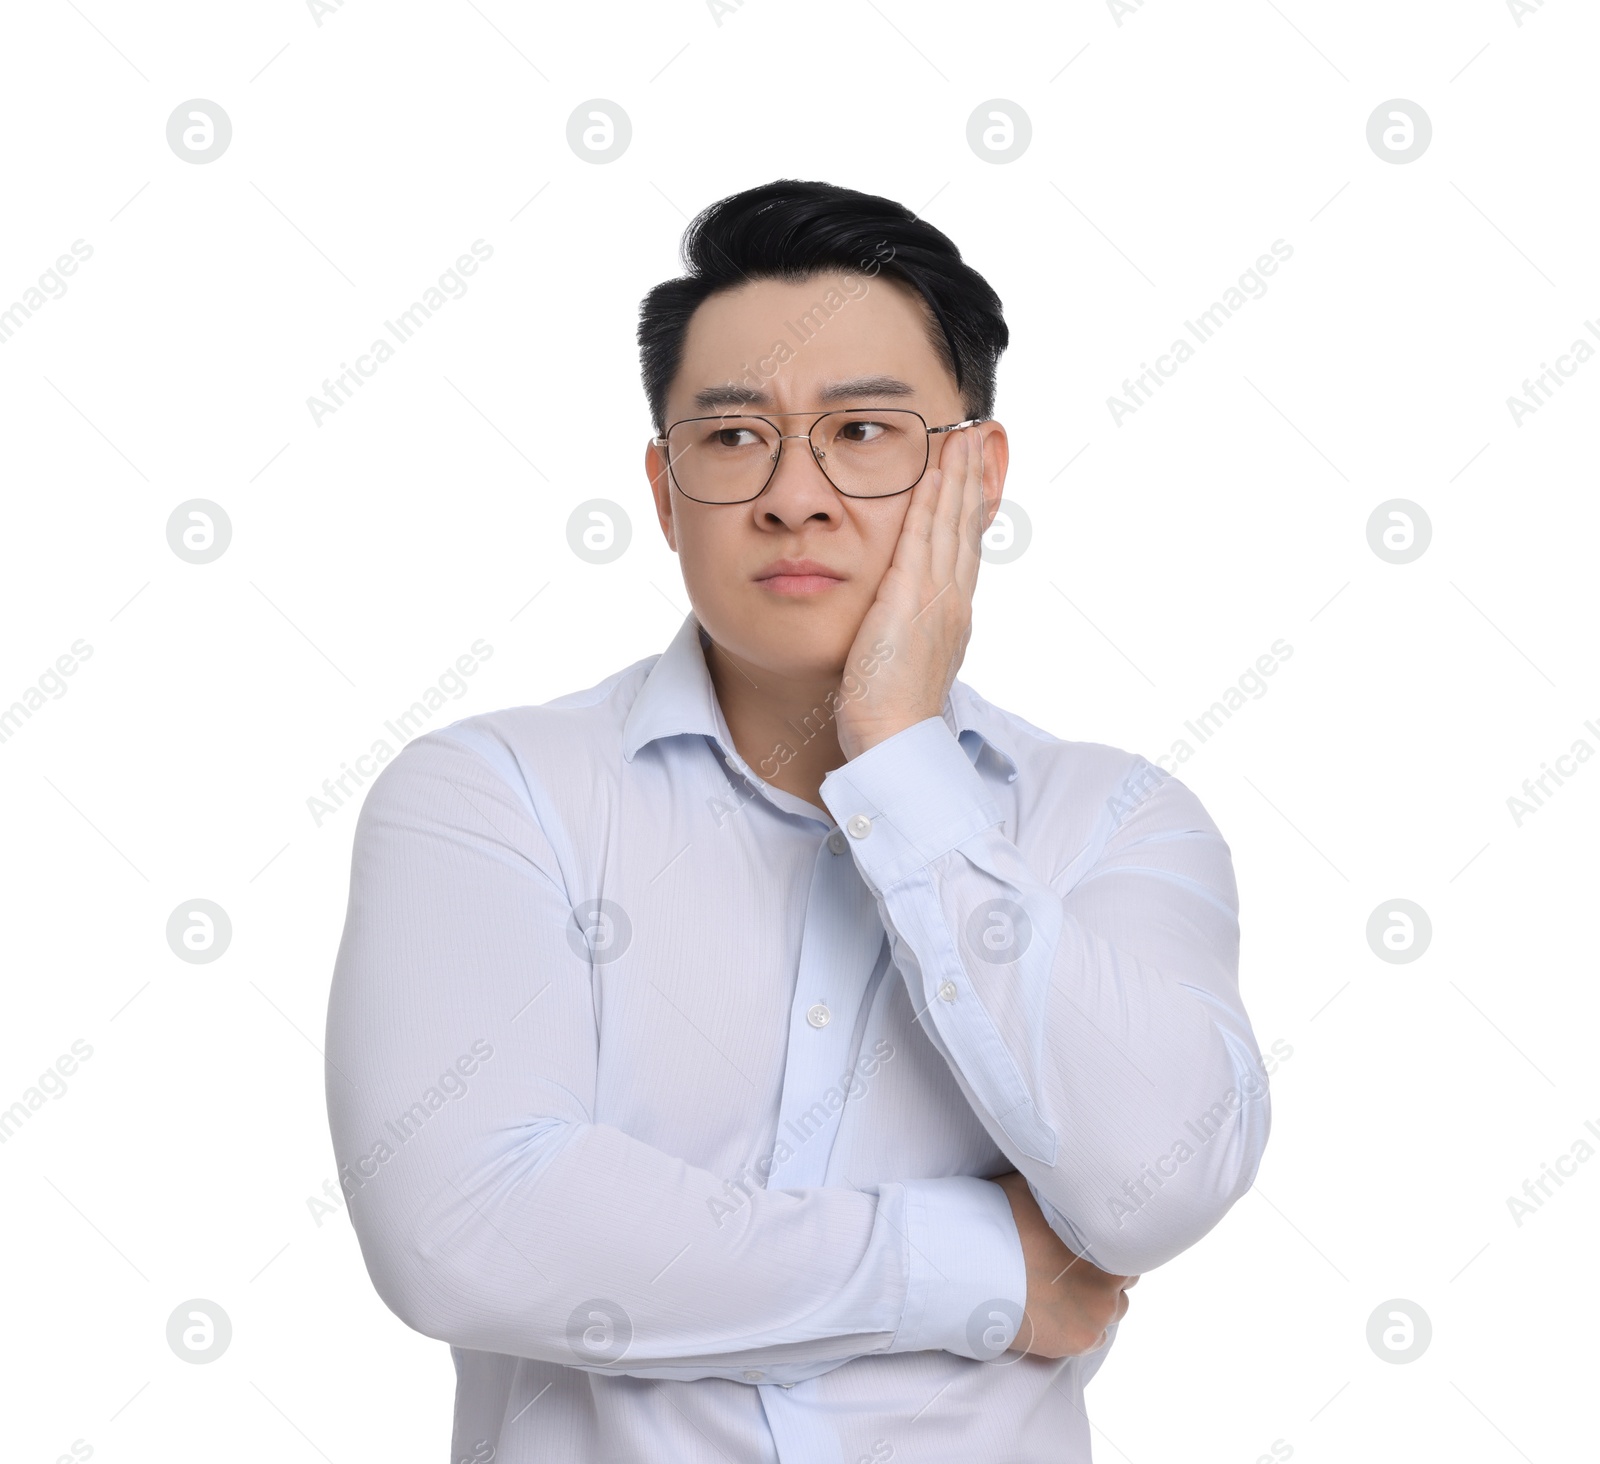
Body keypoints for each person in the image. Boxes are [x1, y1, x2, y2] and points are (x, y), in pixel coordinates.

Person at [324, 177, 1271, 1463]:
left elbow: (1154, 1184)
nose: (792, 496)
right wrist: (982, 1262)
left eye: (864, 432)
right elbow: (464, 1230)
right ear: (664, 495)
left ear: (977, 474)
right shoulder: (496, 795)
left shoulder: (1112, 820)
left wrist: (899, 755)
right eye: (731, 440)